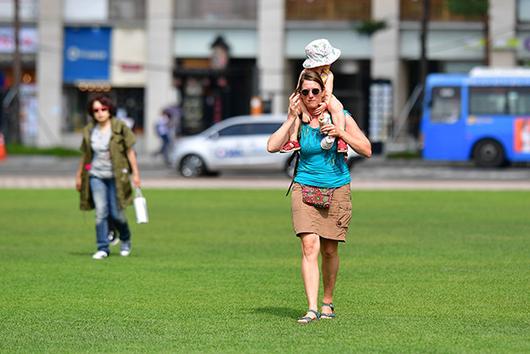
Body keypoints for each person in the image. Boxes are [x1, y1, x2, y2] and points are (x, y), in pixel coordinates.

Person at [267, 70, 372, 324]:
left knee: (329, 250)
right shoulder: (298, 120)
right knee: (309, 245)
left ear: (324, 92)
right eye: (305, 92)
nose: (311, 96)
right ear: (298, 94)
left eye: (316, 91)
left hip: (337, 187)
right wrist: (291, 117)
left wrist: (340, 133)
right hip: (304, 187)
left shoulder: (340, 116)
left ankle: (327, 302)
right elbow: (272, 146)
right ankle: (312, 308)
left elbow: (367, 149)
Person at [75, 94, 141, 260]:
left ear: (109, 110)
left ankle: (125, 238)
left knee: (117, 214)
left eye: (103, 109)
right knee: (101, 212)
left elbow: (130, 151)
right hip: (96, 175)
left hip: (116, 176)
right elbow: (85, 155)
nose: (100, 112)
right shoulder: (89, 130)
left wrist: (136, 174)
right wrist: (79, 176)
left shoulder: (120, 127)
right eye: (96, 110)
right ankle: (102, 247)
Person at [280, 39, 348, 154]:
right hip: (304, 98)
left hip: (324, 97)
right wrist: (305, 111)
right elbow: (299, 91)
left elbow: (328, 91)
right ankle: (293, 140)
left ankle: (341, 137)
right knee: (293, 107)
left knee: (337, 106)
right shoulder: (305, 73)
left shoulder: (328, 74)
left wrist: (325, 104)